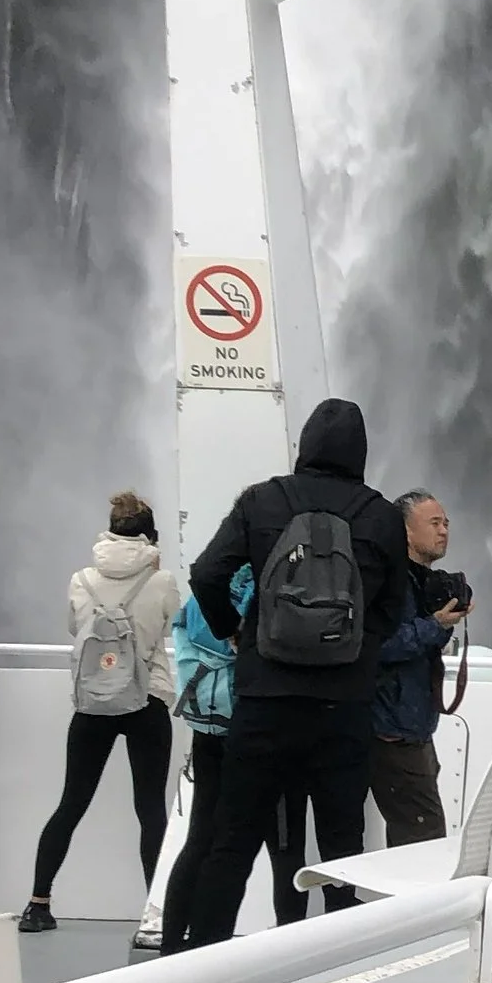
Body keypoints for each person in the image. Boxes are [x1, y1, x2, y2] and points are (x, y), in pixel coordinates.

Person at [177, 398, 411, 947]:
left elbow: (207, 573)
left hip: (264, 698)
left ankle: (201, 967)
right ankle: (335, 968)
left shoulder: (263, 500)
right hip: (343, 707)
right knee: (342, 847)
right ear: (361, 452)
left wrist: (237, 631)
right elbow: (394, 611)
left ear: (303, 445)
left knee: (231, 842)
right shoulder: (380, 516)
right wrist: (357, 648)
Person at [17, 491, 183, 934]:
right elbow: (171, 624)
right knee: (150, 811)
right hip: (146, 699)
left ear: (110, 531)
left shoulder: (81, 579)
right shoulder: (161, 581)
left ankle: (37, 904)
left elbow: (76, 627)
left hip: (92, 702)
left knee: (71, 803)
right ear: (151, 535)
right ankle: (157, 916)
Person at [160, 568, 307, 949]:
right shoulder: (272, 586)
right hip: (263, 727)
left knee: (201, 840)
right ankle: (289, 950)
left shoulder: (201, 595)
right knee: (286, 847)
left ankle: (173, 947)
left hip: (209, 726)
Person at [370, 492, 468, 846]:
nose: (444, 531)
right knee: (424, 840)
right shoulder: (390, 582)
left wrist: (441, 622)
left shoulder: (418, 582)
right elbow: (378, 645)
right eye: (434, 523)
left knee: (414, 836)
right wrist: (435, 625)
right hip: (392, 732)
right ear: (406, 532)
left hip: (413, 728)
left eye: (446, 523)